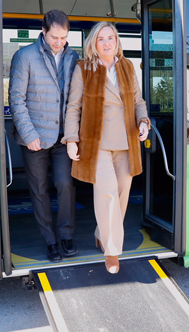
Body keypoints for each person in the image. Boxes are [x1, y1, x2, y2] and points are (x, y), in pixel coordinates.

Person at [63, 22, 150, 274]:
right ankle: (112, 251)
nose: (107, 43)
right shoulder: (84, 68)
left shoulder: (127, 66)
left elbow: (138, 100)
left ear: (117, 41)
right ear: (93, 43)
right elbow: (74, 106)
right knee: (107, 193)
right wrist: (71, 139)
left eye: (111, 38)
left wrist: (143, 121)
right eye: (101, 39)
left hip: (126, 141)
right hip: (97, 142)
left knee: (122, 193)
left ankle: (101, 233)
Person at [8, 9, 79, 262]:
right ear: (43, 32)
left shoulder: (73, 57)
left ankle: (66, 235)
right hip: (34, 138)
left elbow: (74, 99)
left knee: (65, 184)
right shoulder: (24, 56)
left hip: (62, 137)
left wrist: (73, 135)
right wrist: (29, 134)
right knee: (39, 190)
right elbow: (16, 99)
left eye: (64, 37)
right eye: (54, 37)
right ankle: (50, 241)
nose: (59, 43)